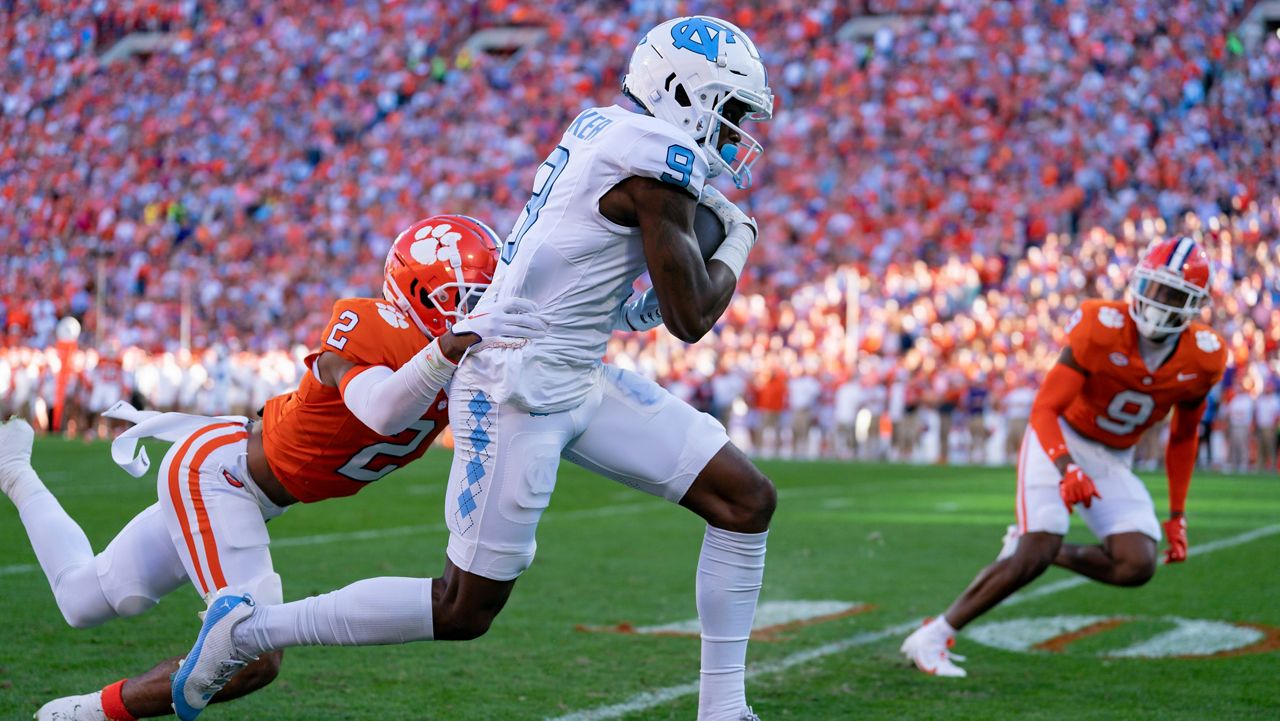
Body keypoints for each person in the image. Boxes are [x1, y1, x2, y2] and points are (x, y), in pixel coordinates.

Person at [173, 15, 776, 721]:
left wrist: (635, 297)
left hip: (574, 372)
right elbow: (692, 318)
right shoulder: (655, 158)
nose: (737, 128)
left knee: (745, 500)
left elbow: (580, 266)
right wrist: (737, 243)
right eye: (730, 107)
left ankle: (723, 709)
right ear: (679, 92)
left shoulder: (608, 129)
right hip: (515, 387)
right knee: (463, 607)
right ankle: (251, 631)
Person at [0, 215, 546, 721]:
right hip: (219, 474)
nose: (476, 312)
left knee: (82, 599)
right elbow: (383, 407)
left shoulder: (468, 360)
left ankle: (15, 473)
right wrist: (447, 350)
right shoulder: (368, 325)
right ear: (417, 294)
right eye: (464, 298)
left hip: (248, 487)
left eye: (486, 296)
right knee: (252, 656)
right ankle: (87, 714)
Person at [900, 238, 1226, 677]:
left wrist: (1178, 513)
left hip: (1113, 457)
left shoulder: (1205, 357)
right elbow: (1044, 409)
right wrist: (1064, 465)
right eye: (1153, 286)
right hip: (1059, 437)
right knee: (1041, 539)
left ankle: (1037, 548)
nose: (1156, 300)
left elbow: (1184, 438)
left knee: (1137, 563)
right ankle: (934, 636)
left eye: (1172, 294)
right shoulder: (1100, 323)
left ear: (1194, 305)